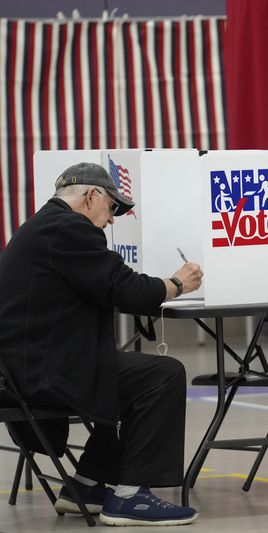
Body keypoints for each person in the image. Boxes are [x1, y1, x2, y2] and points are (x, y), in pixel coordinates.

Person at [0, 162, 204, 526]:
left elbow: (104, 285)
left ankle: (87, 484)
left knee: (119, 372)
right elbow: (125, 291)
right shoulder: (70, 229)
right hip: (41, 377)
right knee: (163, 375)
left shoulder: (40, 227)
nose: (112, 220)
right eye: (112, 208)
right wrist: (176, 283)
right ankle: (129, 497)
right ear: (91, 196)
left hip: (20, 372)